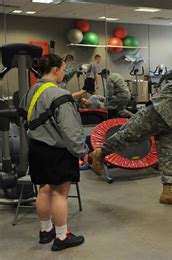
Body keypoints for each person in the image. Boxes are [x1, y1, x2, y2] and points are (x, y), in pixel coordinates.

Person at [89, 51, 172, 206]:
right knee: (129, 136)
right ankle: (101, 152)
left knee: (169, 154)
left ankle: (167, 192)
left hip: (171, 121)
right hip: (157, 112)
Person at [21, 54, 88, 251]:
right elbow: (71, 129)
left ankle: (45, 230)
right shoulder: (59, 95)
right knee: (60, 193)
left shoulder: (31, 91)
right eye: (63, 68)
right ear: (56, 70)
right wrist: (82, 151)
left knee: (43, 189)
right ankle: (61, 237)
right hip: (57, 151)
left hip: (37, 148)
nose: (64, 72)